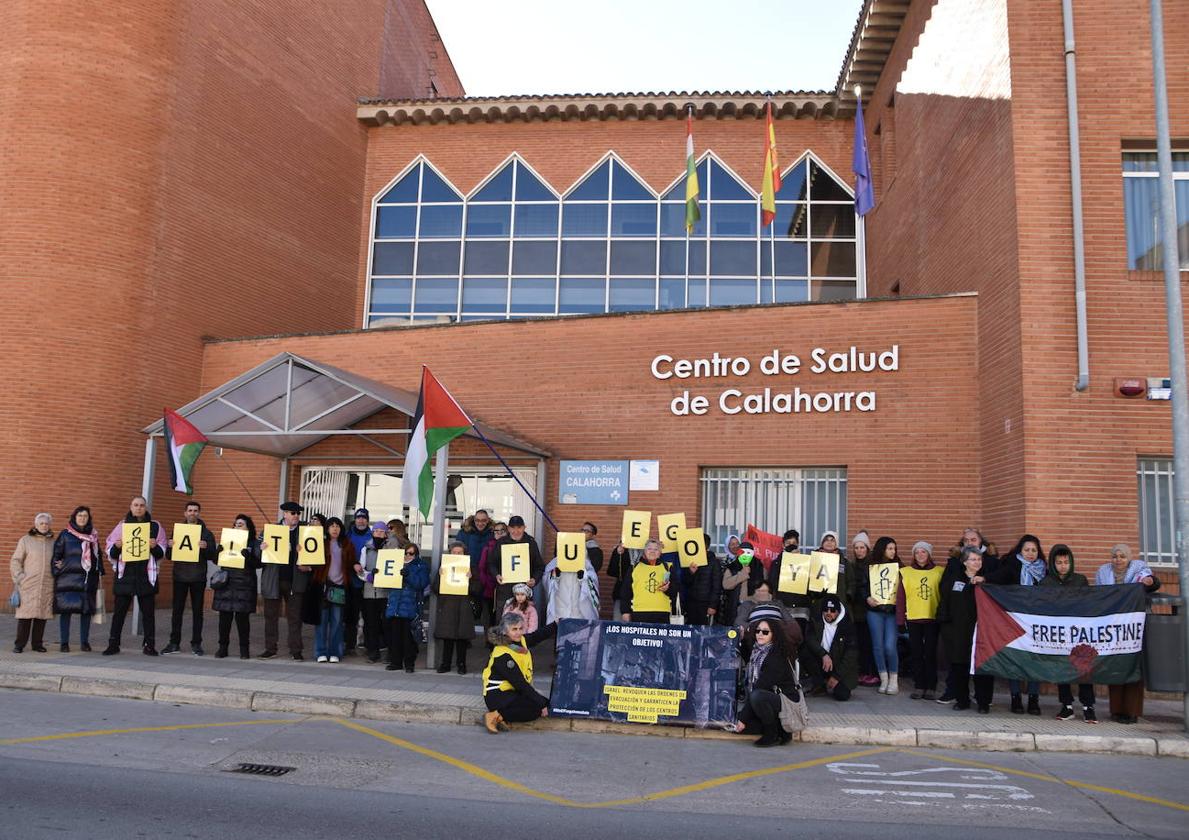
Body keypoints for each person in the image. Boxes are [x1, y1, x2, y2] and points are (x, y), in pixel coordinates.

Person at [1096, 543, 1161, 723]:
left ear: (1129, 558)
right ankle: (1116, 711)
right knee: (1115, 665)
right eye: (1115, 556)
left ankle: (1131, 712)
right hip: (1113, 626)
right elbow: (1099, 594)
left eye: (1122, 556)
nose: (1118, 560)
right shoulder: (1103, 572)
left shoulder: (1139, 568)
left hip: (1134, 628)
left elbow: (1153, 582)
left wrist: (1150, 581)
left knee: (1133, 666)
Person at [936, 527, 999, 703]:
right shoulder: (955, 577)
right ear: (965, 561)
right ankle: (961, 699)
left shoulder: (986, 580)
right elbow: (946, 598)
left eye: (979, 559)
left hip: (980, 629)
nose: (976, 562)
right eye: (972, 559)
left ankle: (983, 701)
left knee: (981, 663)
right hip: (957, 629)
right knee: (959, 664)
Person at [1040, 543, 1097, 723]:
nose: (1063, 566)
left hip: (1079, 634)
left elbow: (1089, 604)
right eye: (1058, 562)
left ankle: (1088, 707)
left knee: (1084, 670)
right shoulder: (1046, 583)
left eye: (1066, 562)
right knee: (1062, 670)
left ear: (1071, 562)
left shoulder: (1080, 580)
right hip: (1058, 635)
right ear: (1052, 563)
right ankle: (1067, 706)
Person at [992, 534, 1047, 714]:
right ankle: (1015, 697)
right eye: (1026, 550)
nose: (1030, 554)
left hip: (1036, 621)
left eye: (1034, 550)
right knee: (1014, 658)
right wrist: (981, 580)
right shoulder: (1012, 565)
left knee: (1034, 659)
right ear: (1020, 550)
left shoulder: (1044, 570)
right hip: (1014, 621)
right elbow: (995, 579)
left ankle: (1033, 698)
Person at [733, 605, 802, 747]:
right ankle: (781, 730)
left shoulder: (776, 656)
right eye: (757, 631)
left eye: (765, 632)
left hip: (786, 702)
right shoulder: (756, 652)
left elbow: (760, 687)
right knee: (736, 725)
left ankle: (771, 735)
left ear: (773, 635)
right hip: (769, 701)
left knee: (757, 696)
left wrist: (744, 718)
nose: (760, 634)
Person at [103, 496, 164, 656]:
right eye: (135, 505)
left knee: (148, 614)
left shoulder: (155, 527)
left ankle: (150, 645)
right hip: (125, 575)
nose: (138, 508)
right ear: (131, 507)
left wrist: (154, 547)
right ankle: (113, 644)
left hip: (146, 575)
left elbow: (162, 553)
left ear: (146, 507)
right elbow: (110, 551)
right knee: (119, 613)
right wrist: (117, 547)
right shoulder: (122, 526)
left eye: (142, 505)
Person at [482, 612, 555, 733]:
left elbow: (538, 635)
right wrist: (541, 704)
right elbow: (520, 684)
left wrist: (556, 624)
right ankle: (495, 715)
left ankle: (501, 718)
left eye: (521, 628)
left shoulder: (520, 641)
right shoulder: (502, 654)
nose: (518, 632)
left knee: (547, 703)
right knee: (535, 710)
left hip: (512, 692)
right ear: (505, 631)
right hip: (498, 695)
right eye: (514, 629)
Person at [260, 501, 313, 661]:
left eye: (298, 513)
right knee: (270, 616)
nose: (296, 516)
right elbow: (257, 555)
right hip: (273, 580)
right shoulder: (270, 531)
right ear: (284, 514)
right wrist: (261, 548)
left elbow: (315, 554)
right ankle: (270, 648)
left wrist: (306, 560)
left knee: (295, 617)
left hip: (295, 581)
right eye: (292, 513)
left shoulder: (306, 532)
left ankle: (296, 649)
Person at [163, 500, 217, 656]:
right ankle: (174, 643)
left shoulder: (206, 533)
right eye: (190, 510)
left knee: (197, 612)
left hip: (197, 576)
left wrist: (206, 548)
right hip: (179, 575)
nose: (192, 513)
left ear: (199, 513)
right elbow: (169, 555)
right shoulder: (177, 530)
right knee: (177, 611)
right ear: (185, 513)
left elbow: (213, 555)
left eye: (195, 510)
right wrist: (170, 546)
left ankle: (196, 643)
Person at [51, 506, 103, 652]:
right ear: (74, 517)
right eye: (79, 515)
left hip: (87, 580)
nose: (82, 518)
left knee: (85, 611)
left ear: (88, 518)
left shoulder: (93, 535)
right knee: (66, 611)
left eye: (85, 516)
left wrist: (99, 570)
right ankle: (64, 643)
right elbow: (56, 555)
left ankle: (84, 642)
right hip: (68, 579)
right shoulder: (65, 534)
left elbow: (97, 556)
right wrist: (57, 570)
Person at [212, 514, 261, 659]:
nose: (238, 526)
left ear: (248, 527)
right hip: (226, 583)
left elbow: (259, 564)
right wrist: (218, 551)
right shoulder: (227, 540)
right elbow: (216, 561)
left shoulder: (253, 543)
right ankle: (222, 648)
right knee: (224, 618)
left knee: (242, 619)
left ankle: (244, 649)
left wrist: (248, 556)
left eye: (241, 524)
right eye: (236, 524)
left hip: (244, 584)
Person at [897, 540, 941, 701]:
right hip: (913, 618)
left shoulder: (939, 572)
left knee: (930, 654)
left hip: (932, 619)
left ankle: (931, 686)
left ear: (929, 554)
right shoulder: (905, 572)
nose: (920, 555)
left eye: (923, 552)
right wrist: (900, 620)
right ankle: (919, 685)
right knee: (916, 654)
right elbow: (900, 598)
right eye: (917, 552)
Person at [858, 536, 901, 695]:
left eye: (894, 548)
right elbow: (862, 586)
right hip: (875, 612)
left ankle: (894, 679)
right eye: (890, 548)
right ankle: (883, 679)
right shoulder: (870, 566)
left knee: (890, 646)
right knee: (877, 646)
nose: (893, 551)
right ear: (882, 549)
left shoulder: (899, 567)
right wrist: (867, 597)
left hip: (891, 612)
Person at [11, 513, 56, 653]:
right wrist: (20, 576)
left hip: (46, 584)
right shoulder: (25, 540)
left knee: (41, 616)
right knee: (25, 616)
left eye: (46, 523)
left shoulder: (53, 543)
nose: (44, 526)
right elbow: (15, 560)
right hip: (28, 584)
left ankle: (37, 644)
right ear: (36, 525)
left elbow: (58, 560)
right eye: (41, 523)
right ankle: (19, 644)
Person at [355, 521, 397, 663]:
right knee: (371, 623)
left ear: (386, 533)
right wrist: (368, 576)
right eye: (376, 531)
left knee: (387, 623)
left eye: (381, 531)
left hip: (386, 593)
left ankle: (390, 652)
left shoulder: (392, 548)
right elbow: (360, 569)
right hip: (369, 591)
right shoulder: (366, 549)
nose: (378, 533)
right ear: (372, 533)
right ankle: (373, 651)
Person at [314, 517, 354, 663]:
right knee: (322, 621)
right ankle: (320, 652)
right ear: (327, 528)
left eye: (337, 526)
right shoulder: (321, 543)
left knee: (337, 622)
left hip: (339, 588)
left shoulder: (346, 544)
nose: (335, 529)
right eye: (332, 526)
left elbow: (351, 562)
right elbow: (311, 559)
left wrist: (356, 565)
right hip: (324, 587)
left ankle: (335, 652)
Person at [802, 594, 857, 701]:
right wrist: (823, 654)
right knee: (805, 651)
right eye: (826, 610)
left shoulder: (847, 626)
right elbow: (810, 639)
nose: (828, 613)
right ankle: (819, 683)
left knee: (842, 695)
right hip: (823, 660)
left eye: (832, 610)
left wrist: (836, 676)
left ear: (838, 611)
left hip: (839, 665)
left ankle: (831, 681)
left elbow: (851, 655)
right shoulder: (816, 620)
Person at [385, 542, 428, 672]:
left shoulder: (421, 565)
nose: (408, 556)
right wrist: (379, 573)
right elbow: (385, 583)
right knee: (394, 636)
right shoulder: (394, 563)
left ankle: (409, 664)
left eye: (411, 553)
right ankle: (395, 662)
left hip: (410, 606)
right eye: (406, 553)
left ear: (416, 555)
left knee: (409, 638)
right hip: (395, 605)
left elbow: (421, 583)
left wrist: (408, 575)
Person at [435, 540, 476, 674]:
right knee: (448, 637)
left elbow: (478, 590)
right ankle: (445, 663)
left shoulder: (471, 567)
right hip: (448, 605)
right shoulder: (444, 567)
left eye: (460, 552)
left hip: (464, 605)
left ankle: (461, 664)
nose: (457, 554)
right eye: (454, 552)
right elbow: (435, 588)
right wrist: (440, 577)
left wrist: (471, 578)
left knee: (462, 638)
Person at [489, 515, 543, 614]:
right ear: (508, 528)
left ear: (524, 527)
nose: (516, 531)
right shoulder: (501, 543)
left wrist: (534, 579)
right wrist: (496, 575)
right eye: (513, 528)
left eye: (519, 528)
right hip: (505, 588)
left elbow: (539, 566)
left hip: (524, 589)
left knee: (524, 620)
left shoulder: (531, 543)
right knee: (503, 620)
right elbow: (492, 563)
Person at [848, 531, 880, 687]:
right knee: (859, 643)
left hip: (872, 609)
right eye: (856, 547)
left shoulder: (874, 566)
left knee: (871, 642)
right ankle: (861, 672)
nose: (859, 550)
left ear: (867, 548)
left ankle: (872, 672)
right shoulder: (851, 566)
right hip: (856, 611)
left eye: (862, 547)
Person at [766, 529, 813, 632]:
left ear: (798, 544)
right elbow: (772, 583)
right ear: (783, 545)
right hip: (783, 606)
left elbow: (810, 583)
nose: (791, 545)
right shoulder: (776, 563)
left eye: (794, 543)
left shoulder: (805, 562)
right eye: (788, 543)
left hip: (801, 608)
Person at [619, 539, 676, 624]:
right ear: (644, 551)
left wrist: (668, 589)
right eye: (649, 549)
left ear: (660, 553)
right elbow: (626, 591)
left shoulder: (668, 567)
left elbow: (676, 590)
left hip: (662, 612)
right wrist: (625, 611)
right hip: (639, 611)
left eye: (656, 549)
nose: (652, 551)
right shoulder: (634, 567)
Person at [343, 507, 375, 657]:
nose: (361, 520)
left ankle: (370, 646)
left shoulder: (373, 536)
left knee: (370, 616)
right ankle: (349, 645)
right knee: (351, 615)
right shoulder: (348, 536)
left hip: (369, 583)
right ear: (355, 520)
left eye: (364, 518)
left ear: (367, 520)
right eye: (358, 518)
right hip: (351, 581)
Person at [542, 543, 600, 624]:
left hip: (579, 612)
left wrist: (583, 578)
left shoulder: (585, 564)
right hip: (560, 609)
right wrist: (556, 576)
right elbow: (546, 582)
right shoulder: (555, 563)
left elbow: (593, 581)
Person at [679, 532, 722, 626]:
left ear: (706, 546)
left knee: (704, 631)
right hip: (691, 603)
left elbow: (717, 586)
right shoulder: (691, 561)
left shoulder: (714, 562)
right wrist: (691, 573)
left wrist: (712, 606)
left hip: (706, 604)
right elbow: (685, 582)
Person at [722, 537, 764, 627]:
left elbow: (765, 586)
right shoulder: (732, 567)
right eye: (742, 552)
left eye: (748, 552)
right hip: (735, 607)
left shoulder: (759, 566)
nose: (745, 555)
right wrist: (742, 574)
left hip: (754, 608)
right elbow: (726, 585)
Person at [476, 521, 505, 627]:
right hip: (490, 589)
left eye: (502, 531)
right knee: (489, 618)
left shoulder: (511, 546)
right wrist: (486, 583)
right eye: (496, 531)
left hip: (505, 588)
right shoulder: (488, 547)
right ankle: (489, 642)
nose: (499, 533)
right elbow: (482, 567)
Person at [605, 541, 633, 621]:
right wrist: (618, 554)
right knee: (619, 622)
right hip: (621, 593)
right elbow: (611, 571)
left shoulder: (646, 551)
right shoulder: (621, 550)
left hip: (642, 597)